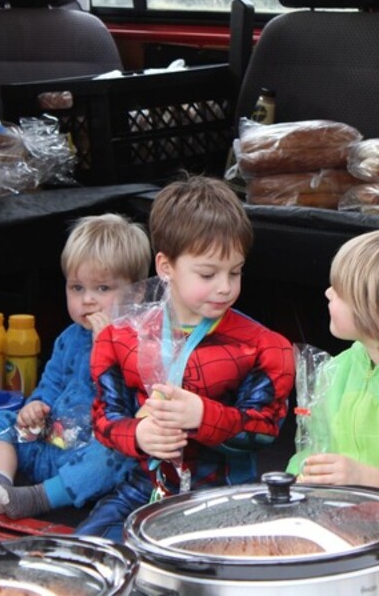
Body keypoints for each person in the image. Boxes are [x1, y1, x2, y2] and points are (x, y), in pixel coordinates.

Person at [75, 175, 295, 541]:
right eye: (208, 273)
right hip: (144, 490)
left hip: (225, 496)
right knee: (88, 551)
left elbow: (264, 429)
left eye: (235, 272)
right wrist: (138, 434)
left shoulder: (264, 346)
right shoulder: (119, 337)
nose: (225, 286)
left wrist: (202, 416)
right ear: (165, 267)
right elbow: (104, 419)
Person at [0, 214, 151, 519]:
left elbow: (132, 406)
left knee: (120, 454)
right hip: (52, 441)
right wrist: (36, 407)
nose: (88, 300)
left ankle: (38, 498)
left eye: (103, 288)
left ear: (137, 293)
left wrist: (107, 348)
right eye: (76, 288)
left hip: (91, 453)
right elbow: (50, 386)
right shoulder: (69, 338)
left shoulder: (140, 342)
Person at [287, 228, 379, 505]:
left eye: (340, 292)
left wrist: (361, 477)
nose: (328, 292)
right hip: (337, 519)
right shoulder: (337, 368)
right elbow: (311, 449)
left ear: (377, 315)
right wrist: (294, 481)